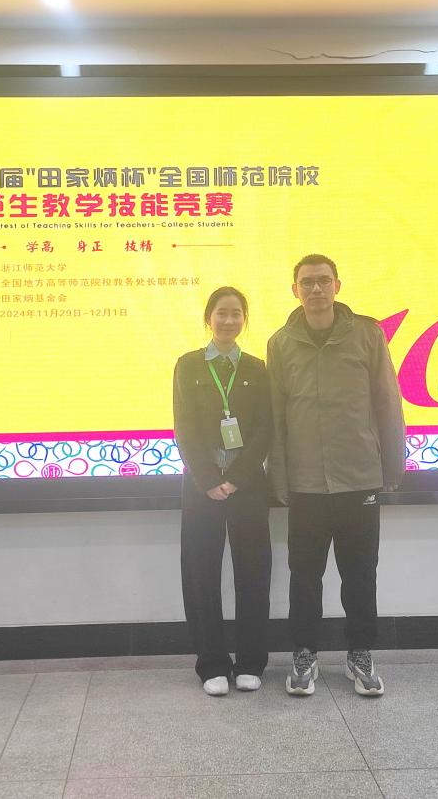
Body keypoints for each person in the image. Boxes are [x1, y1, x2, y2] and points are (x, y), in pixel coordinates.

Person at [267, 254, 405, 697]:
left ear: (337, 286)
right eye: (307, 282)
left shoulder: (367, 334)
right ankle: (304, 652)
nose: (316, 289)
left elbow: (387, 400)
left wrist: (393, 465)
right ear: (295, 290)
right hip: (306, 481)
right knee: (304, 574)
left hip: (358, 477)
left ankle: (359, 653)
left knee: (360, 573)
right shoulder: (280, 343)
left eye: (323, 281)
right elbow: (276, 416)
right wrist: (279, 477)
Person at [173, 286, 273, 696]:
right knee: (201, 573)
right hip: (202, 486)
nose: (229, 320)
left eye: (236, 313)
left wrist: (237, 477)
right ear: (208, 318)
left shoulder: (256, 368)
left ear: (244, 320)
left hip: (247, 485)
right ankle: (211, 664)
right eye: (221, 312)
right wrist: (210, 479)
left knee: (254, 572)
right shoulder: (188, 365)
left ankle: (251, 662)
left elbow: (265, 429)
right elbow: (184, 427)